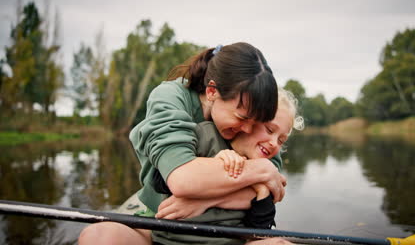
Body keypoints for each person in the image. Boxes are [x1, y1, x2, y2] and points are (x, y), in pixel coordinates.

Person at [79, 43, 289, 245]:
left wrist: (201, 201)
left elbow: (271, 188)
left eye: (257, 122)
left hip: (233, 233)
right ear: (212, 91)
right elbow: (181, 178)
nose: (248, 129)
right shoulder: (171, 97)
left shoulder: (256, 111)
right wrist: (260, 169)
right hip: (161, 224)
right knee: (98, 237)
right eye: (241, 118)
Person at [151, 88, 304, 244]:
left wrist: (262, 190)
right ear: (251, 119)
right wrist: (217, 166)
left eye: (281, 141)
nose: (274, 143)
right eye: (270, 130)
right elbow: (159, 180)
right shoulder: (205, 135)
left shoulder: (266, 172)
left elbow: (261, 229)